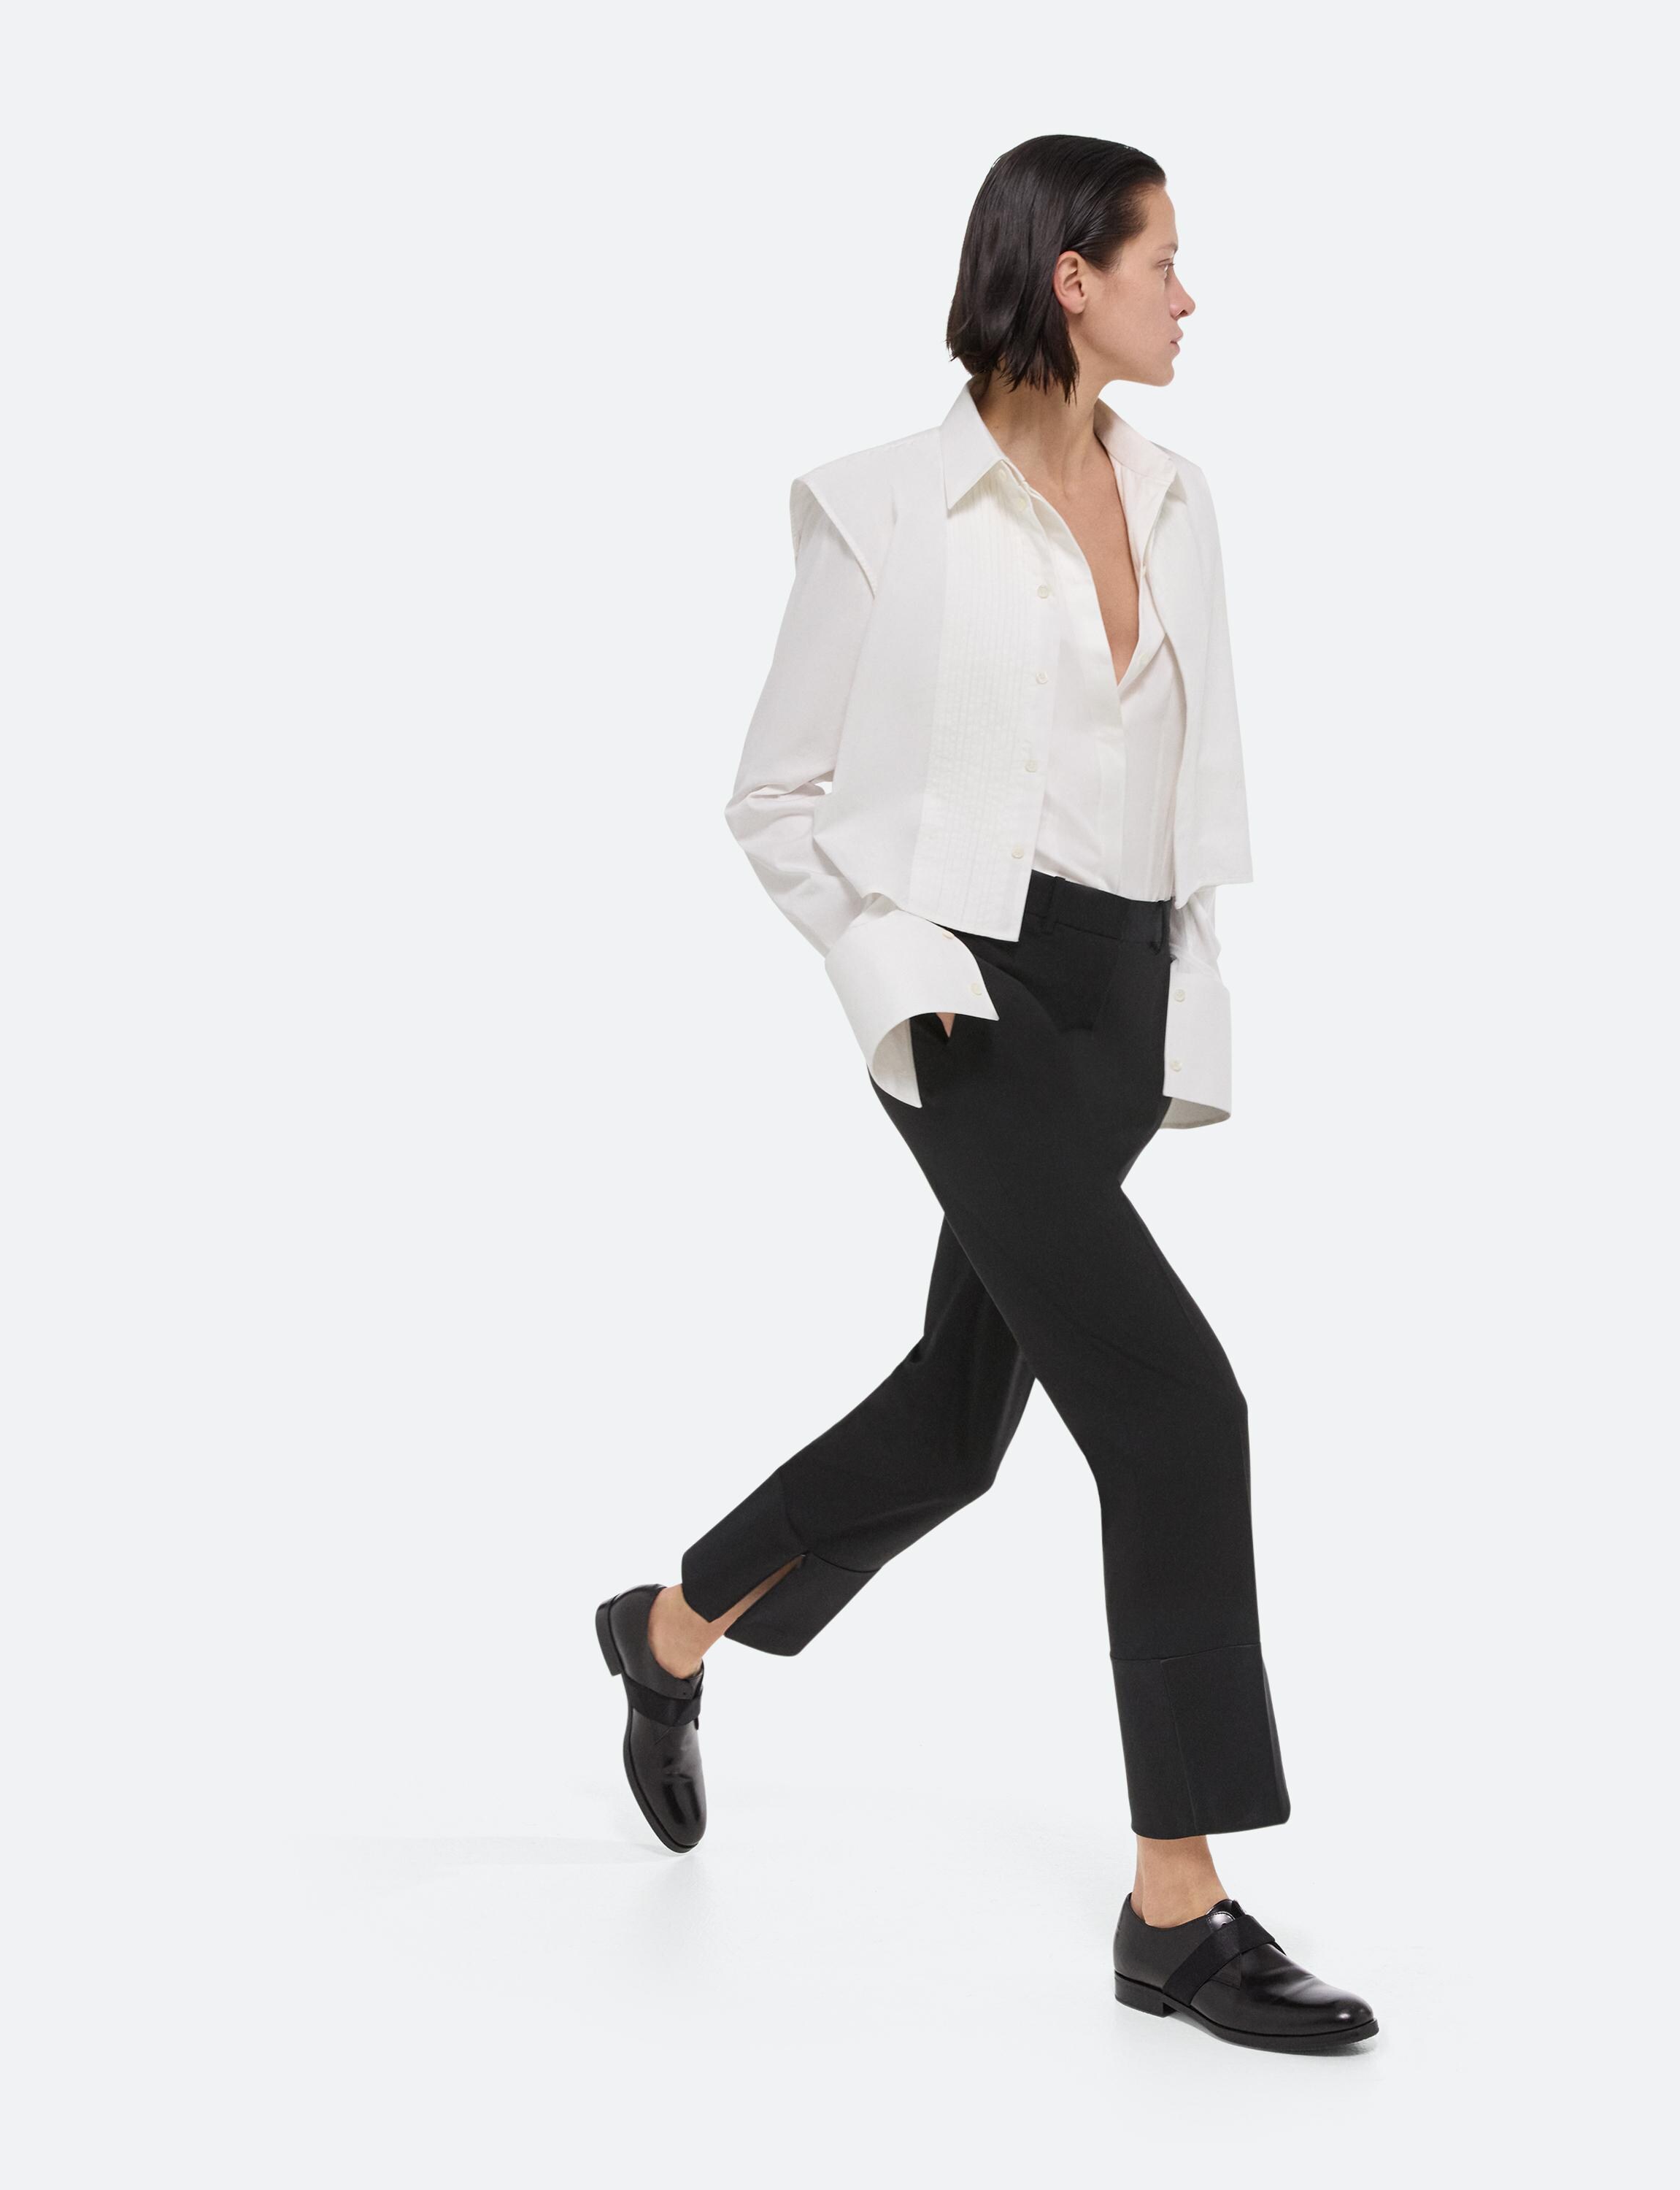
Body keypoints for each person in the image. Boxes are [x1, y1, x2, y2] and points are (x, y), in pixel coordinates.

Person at [595, 134, 1379, 2053]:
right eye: (1164, 260)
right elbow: (774, 796)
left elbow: (1181, 781)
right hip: (968, 997)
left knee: (958, 1425)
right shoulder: (884, 509)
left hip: (1117, 999)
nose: (1190, 295)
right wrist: (900, 980)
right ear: (1068, 278)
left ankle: (670, 1630)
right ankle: (1176, 1908)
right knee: (1174, 1407)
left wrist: (1184, 995)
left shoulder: (1178, 498)